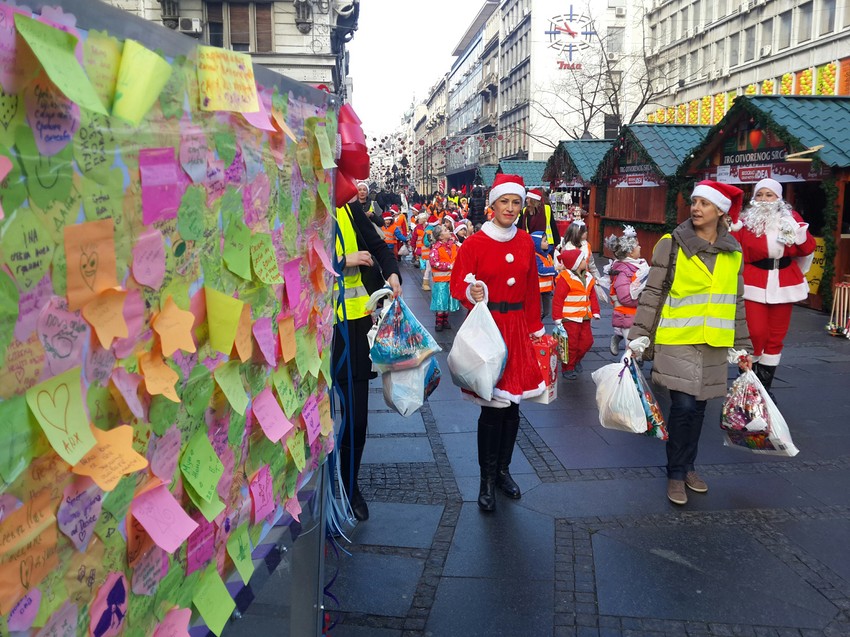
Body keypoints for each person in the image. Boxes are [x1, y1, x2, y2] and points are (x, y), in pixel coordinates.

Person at [627, 180, 752, 506]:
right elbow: (653, 292)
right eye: (694, 202)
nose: (696, 208)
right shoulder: (672, 244)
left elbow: (736, 301)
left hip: (714, 342)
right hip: (677, 338)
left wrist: (742, 347)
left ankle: (689, 465)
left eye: (704, 203)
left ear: (721, 211)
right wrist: (640, 335)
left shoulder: (733, 252)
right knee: (682, 408)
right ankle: (676, 474)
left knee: (698, 410)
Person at [450, 173, 546, 513]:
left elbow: (533, 288)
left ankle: (503, 470)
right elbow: (457, 282)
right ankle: (486, 480)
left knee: (513, 408)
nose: (510, 207)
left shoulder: (524, 242)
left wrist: (536, 328)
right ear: (492, 205)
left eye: (516, 202)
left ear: (522, 205)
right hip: (490, 328)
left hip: (518, 329)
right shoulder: (475, 243)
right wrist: (471, 290)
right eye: (504, 201)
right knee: (492, 410)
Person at [333, 200, 403, 522]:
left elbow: (379, 246)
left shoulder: (347, 207)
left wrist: (392, 272)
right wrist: (342, 260)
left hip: (353, 329)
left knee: (357, 419)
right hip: (310, 332)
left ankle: (349, 486)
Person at [731, 178, 816, 397]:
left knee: (776, 336)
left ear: (778, 198)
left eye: (769, 195)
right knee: (755, 333)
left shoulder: (791, 218)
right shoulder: (744, 221)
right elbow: (732, 248)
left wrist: (798, 233)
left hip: (784, 280)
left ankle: (763, 392)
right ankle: (748, 383)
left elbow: (807, 248)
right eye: (759, 195)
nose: (764, 200)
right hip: (753, 280)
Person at [552, 248, 600, 379]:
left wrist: (595, 311)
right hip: (569, 318)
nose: (586, 261)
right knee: (571, 345)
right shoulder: (565, 278)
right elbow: (558, 299)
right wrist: (557, 317)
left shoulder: (588, 277)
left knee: (587, 342)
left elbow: (592, 296)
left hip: (584, 317)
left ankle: (576, 360)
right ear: (576, 264)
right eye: (583, 259)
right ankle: (568, 368)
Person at [603, 225, 649, 356]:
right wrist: (643, 301)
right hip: (627, 314)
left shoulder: (635, 266)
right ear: (630, 252)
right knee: (630, 350)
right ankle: (625, 373)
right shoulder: (624, 271)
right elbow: (625, 298)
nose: (640, 247)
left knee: (634, 349)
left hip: (634, 314)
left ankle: (631, 369)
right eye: (637, 246)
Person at [429, 225, 461, 331]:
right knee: (440, 300)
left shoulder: (453, 246)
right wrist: (449, 266)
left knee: (448, 300)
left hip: (451, 279)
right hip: (441, 280)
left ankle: (445, 320)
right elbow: (434, 262)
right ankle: (439, 321)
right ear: (440, 236)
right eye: (446, 230)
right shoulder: (436, 248)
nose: (449, 231)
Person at [531, 231, 556, 320]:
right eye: (545, 241)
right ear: (537, 243)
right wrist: (555, 269)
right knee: (539, 312)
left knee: (546, 311)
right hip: (538, 290)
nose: (547, 243)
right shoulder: (535, 256)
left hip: (547, 289)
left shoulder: (548, 256)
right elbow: (541, 271)